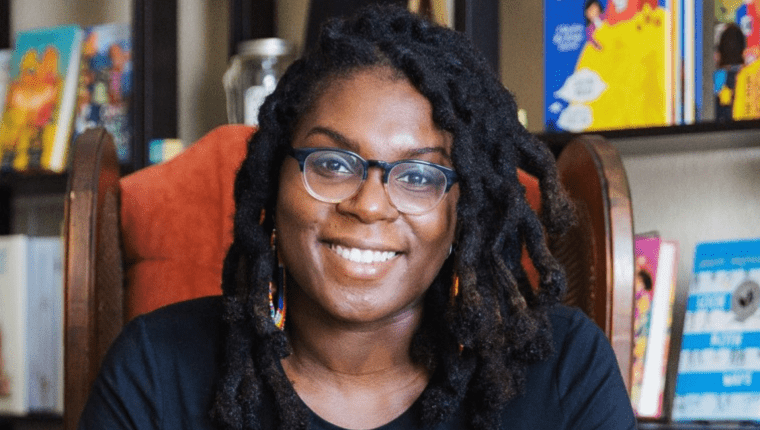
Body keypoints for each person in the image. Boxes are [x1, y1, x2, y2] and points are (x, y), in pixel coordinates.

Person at [78, 5, 636, 430]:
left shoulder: (564, 370)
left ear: (461, 213)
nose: (368, 205)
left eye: (418, 176)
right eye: (332, 164)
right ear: (275, 183)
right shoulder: (156, 369)